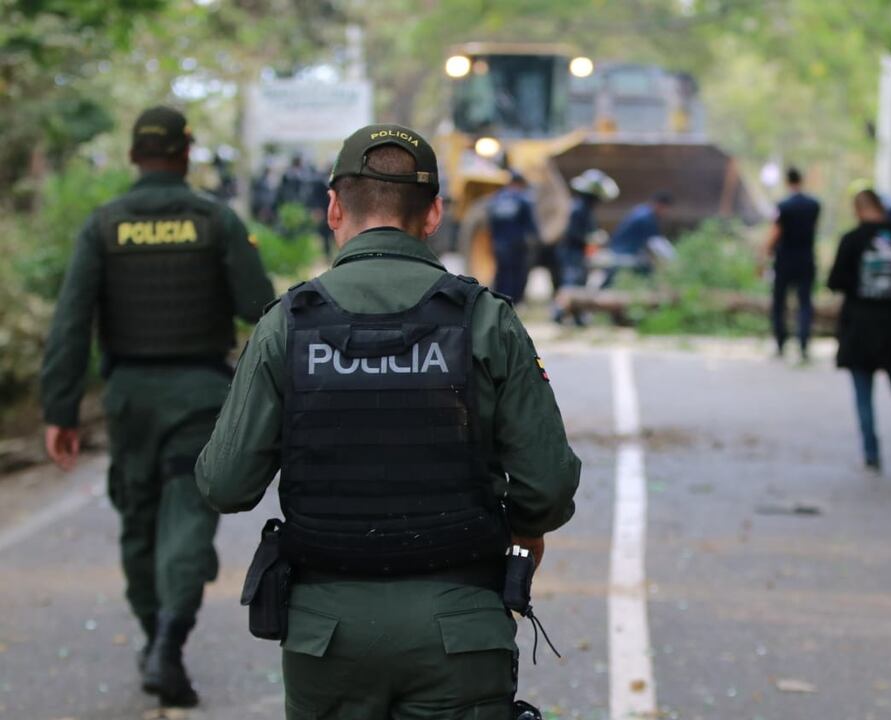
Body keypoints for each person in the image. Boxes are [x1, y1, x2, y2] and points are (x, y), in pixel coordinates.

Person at [195, 124, 580, 719]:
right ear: (434, 214)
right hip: (460, 628)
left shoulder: (287, 324)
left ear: (333, 208)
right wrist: (525, 532)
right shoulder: (485, 319)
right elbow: (547, 486)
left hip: (326, 638)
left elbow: (225, 484)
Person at [40, 106, 275, 707]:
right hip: (198, 395)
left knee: (139, 517)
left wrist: (60, 410)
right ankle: (170, 638)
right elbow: (259, 305)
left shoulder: (104, 225)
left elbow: (71, 324)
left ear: (132, 156)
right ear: (186, 153)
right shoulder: (215, 220)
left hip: (130, 400)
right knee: (188, 513)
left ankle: (153, 637)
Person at [828, 190, 891, 473]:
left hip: (859, 326)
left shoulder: (852, 240)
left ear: (858, 210)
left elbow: (835, 280)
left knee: (863, 396)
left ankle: (871, 455)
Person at [766, 167, 822, 360]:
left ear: (787, 181)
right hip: (806, 258)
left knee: (779, 303)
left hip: (785, 259)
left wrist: (764, 253)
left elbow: (776, 232)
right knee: (805, 302)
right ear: (801, 179)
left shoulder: (783, 206)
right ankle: (803, 343)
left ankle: (781, 342)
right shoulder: (813, 205)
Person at [555, 169, 618, 326]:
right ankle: (559, 313)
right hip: (571, 252)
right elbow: (572, 233)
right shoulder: (578, 209)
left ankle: (577, 316)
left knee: (579, 284)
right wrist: (590, 237)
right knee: (571, 283)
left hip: (578, 252)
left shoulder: (584, 209)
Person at [487, 171, 541, 303]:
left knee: (502, 272)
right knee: (517, 274)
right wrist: (537, 239)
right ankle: (513, 300)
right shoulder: (522, 199)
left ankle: (498, 298)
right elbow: (530, 224)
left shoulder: (497, 199)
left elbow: (490, 222)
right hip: (517, 245)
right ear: (520, 183)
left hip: (499, 244)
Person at [606, 191, 673, 284]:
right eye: (665, 208)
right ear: (660, 205)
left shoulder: (642, 210)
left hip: (619, 249)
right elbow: (656, 243)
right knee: (646, 269)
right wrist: (672, 258)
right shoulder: (646, 218)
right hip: (624, 252)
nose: (665, 212)